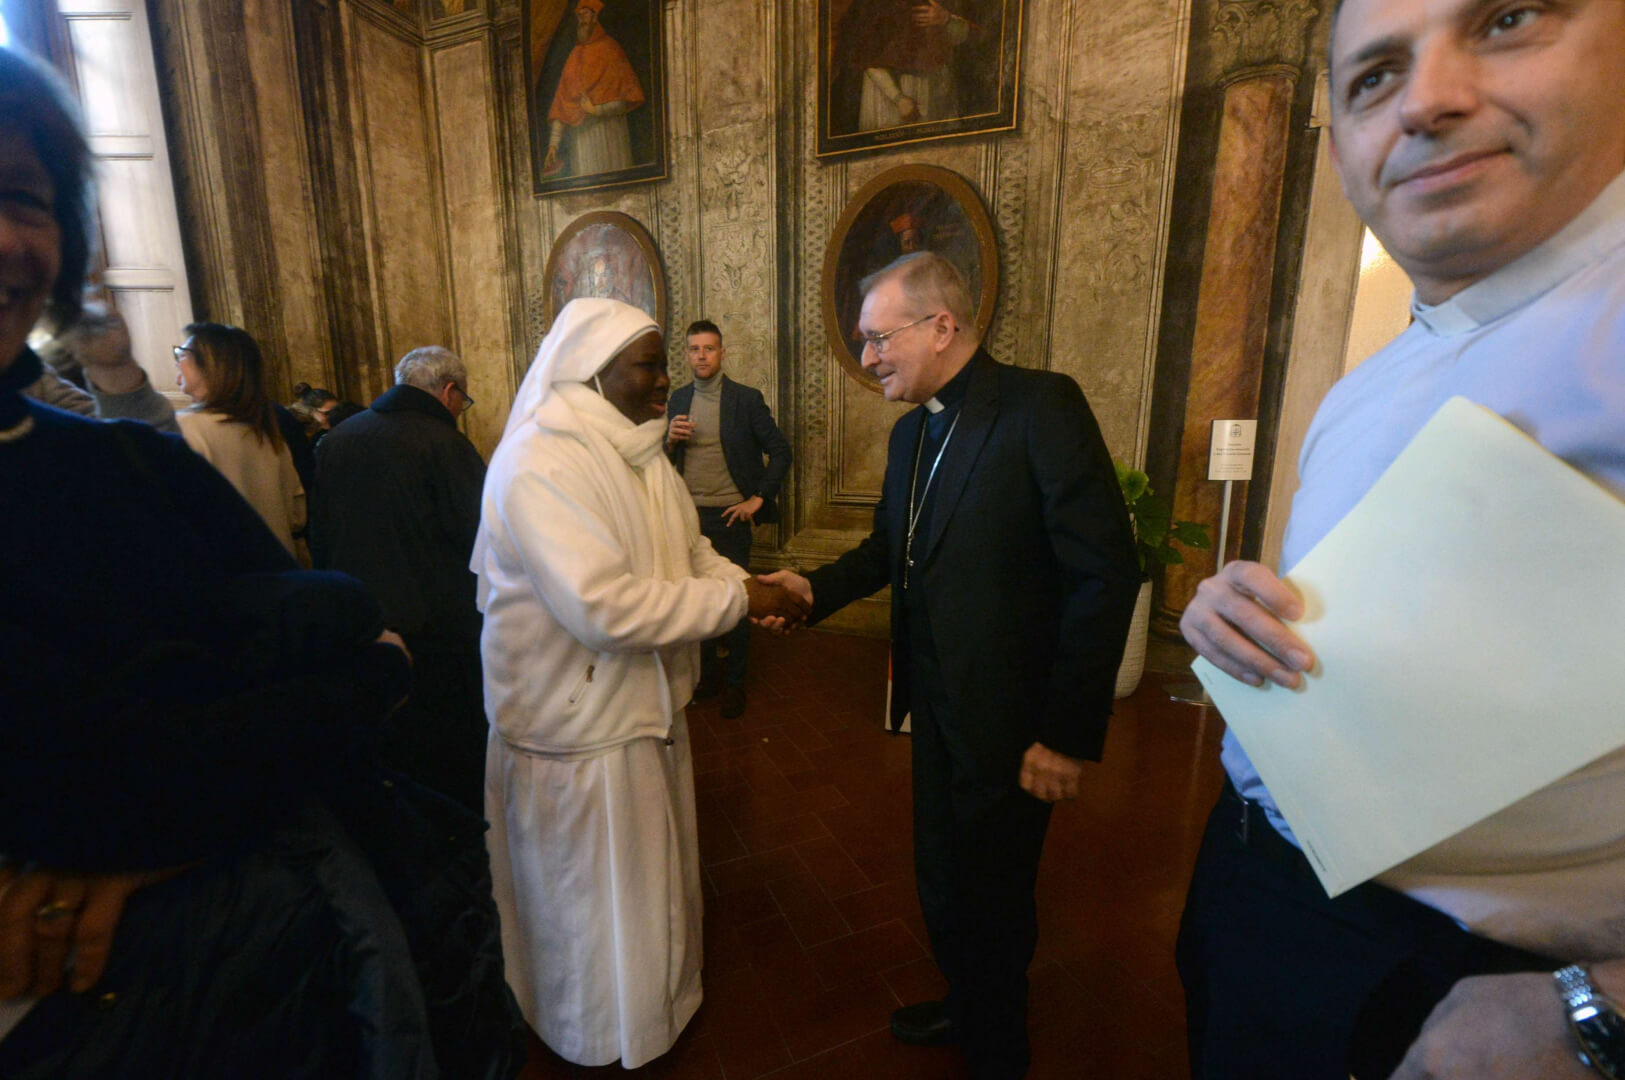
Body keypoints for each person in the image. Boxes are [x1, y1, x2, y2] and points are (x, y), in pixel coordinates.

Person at [0, 45, 523, 1078]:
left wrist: (155, 830)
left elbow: (352, 654)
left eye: (24, 197)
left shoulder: (124, 465)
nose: (5, 239)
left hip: (227, 995)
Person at [1174, 1, 1625, 1077]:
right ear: (1339, 150)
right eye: (1374, 76)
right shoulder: (1364, 383)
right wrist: (1226, 608)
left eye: (1505, 20)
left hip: (1469, 974)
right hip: (1257, 879)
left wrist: (1597, 1010)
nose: (1426, 100)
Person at [760, 252, 1140, 1079]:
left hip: (1013, 720)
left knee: (995, 890)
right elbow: (887, 548)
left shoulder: (1040, 406)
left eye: (876, 338)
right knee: (942, 874)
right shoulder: (912, 432)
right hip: (930, 704)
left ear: (941, 326)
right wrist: (812, 590)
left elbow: (1103, 573)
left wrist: (1065, 733)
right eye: (864, 342)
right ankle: (968, 1002)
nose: (867, 358)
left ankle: (1000, 1046)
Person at [473, 298, 807, 1067]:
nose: (664, 380)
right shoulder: (541, 461)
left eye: (662, 364)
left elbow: (688, 553)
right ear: (592, 370)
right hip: (575, 725)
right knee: (588, 904)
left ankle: (654, 1007)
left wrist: (749, 586)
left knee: (646, 889)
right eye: (648, 365)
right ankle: (589, 1029)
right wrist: (742, 600)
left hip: (638, 710)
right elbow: (605, 609)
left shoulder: (639, 451)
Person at [312, 345, 488, 811]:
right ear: (449, 392)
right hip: (437, 634)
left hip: (361, 626)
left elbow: (319, 534)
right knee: (448, 759)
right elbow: (481, 537)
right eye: (463, 400)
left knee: (385, 750)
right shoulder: (446, 445)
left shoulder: (338, 439)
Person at [664, 318, 793, 718]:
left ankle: (735, 682)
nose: (701, 356)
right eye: (694, 349)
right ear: (687, 355)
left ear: (722, 353)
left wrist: (758, 498)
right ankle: (707, 677)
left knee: (737, 600)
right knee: (699, 600)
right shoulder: (677, 400)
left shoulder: (745, 399)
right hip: (688, 517)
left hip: (731, 517)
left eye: (709, 348)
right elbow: (660, 463)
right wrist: (668, 440)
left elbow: (781, 451)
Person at [173, 322, 306, 558]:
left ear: (211, 364)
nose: (177, 361)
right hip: (276, 566)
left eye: (182, 354)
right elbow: (296, 516)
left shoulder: (185, 428)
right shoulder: (265, 431)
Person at [541, 0, 645, 179]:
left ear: (596, 17)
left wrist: (597, 110)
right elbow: (563, 103)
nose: (582, 18)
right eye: (579, 14)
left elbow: (625, 98)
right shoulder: (574, 56)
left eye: (586, 12)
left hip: (610, 134)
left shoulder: (611, 49)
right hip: (582, 139)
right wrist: (553, 145)